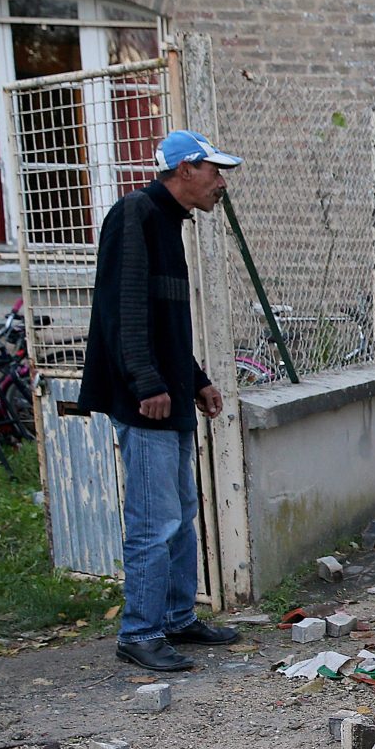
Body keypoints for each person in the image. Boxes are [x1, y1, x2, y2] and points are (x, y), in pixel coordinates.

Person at [77, 129, 243, 672]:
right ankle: (140, 632)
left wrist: (195, 379)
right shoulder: (136, 215)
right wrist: (146, 382)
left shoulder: (169, 222)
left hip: (168, 395)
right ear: (187, 169)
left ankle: (175, 618)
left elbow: (165, 322)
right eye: (215, 172)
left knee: (181, 513)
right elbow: (121, 309)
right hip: (144, 399)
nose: (221, 183)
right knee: (154, 518)